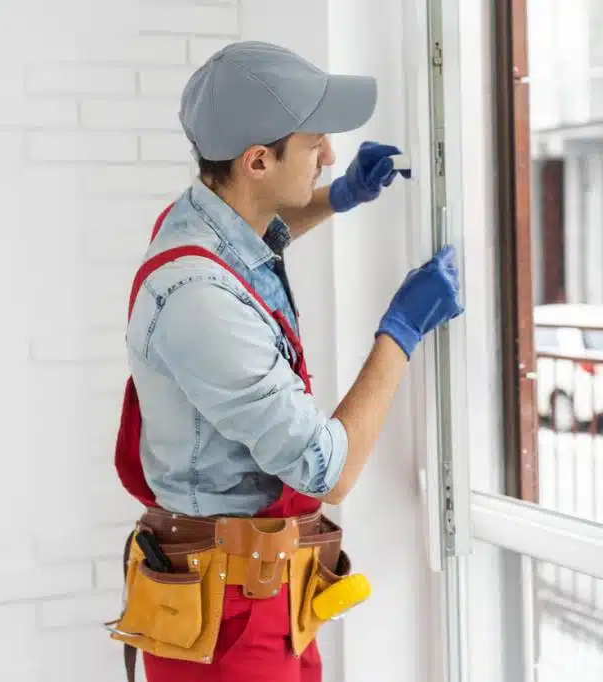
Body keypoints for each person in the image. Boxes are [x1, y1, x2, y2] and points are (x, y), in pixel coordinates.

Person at [105, 40, 464, 682]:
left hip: (261, 595)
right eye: (315, 144)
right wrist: (402, 329)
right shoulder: (198, 299)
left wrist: (340, 196)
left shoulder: (200, 220)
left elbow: (252, 241)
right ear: (258, 160)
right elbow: (327, 468)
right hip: (226, 623)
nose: (329, 155)